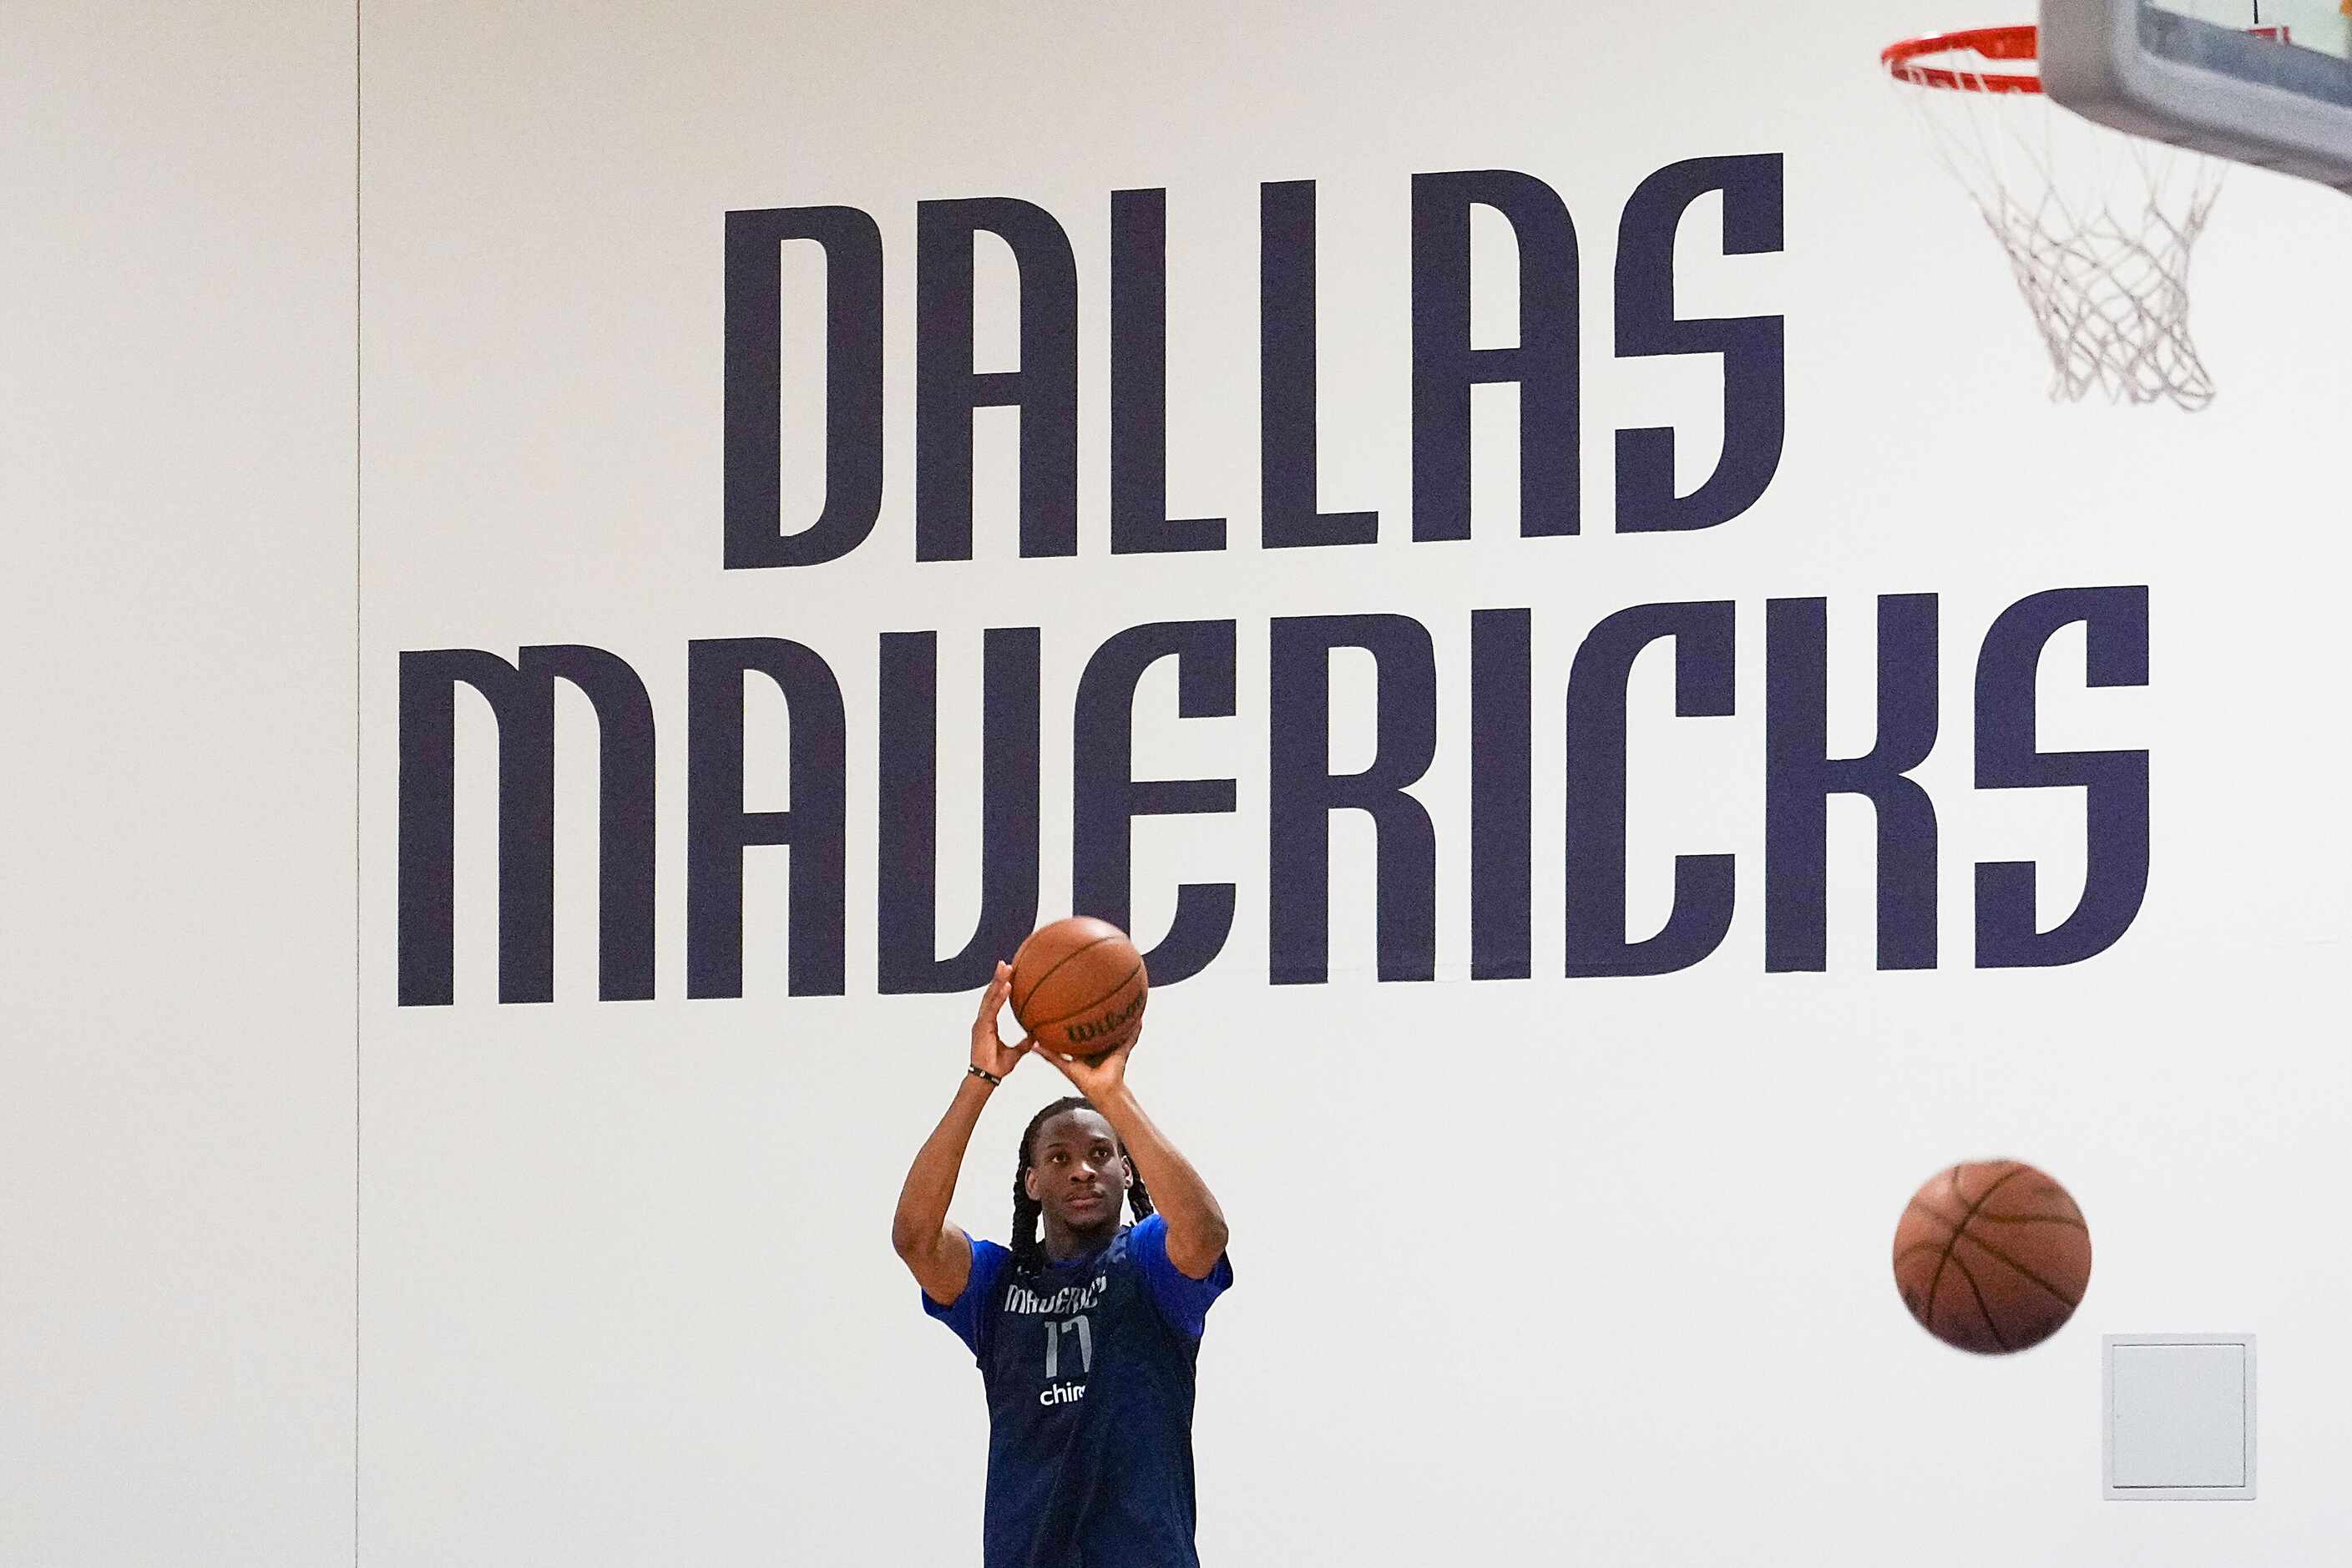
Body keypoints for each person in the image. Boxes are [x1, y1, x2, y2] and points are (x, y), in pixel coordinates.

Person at [891, 960, 1234, 1568]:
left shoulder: (1150, 1261)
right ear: (1030, 1181)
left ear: (1125, 1172)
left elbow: (1205, 1232)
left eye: (1101, 1154)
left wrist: (1112, 1094)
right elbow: (916, 1239)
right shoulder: (996, 1282)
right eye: (1058, 1157)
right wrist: (980, 1080)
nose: (1081, 1169)